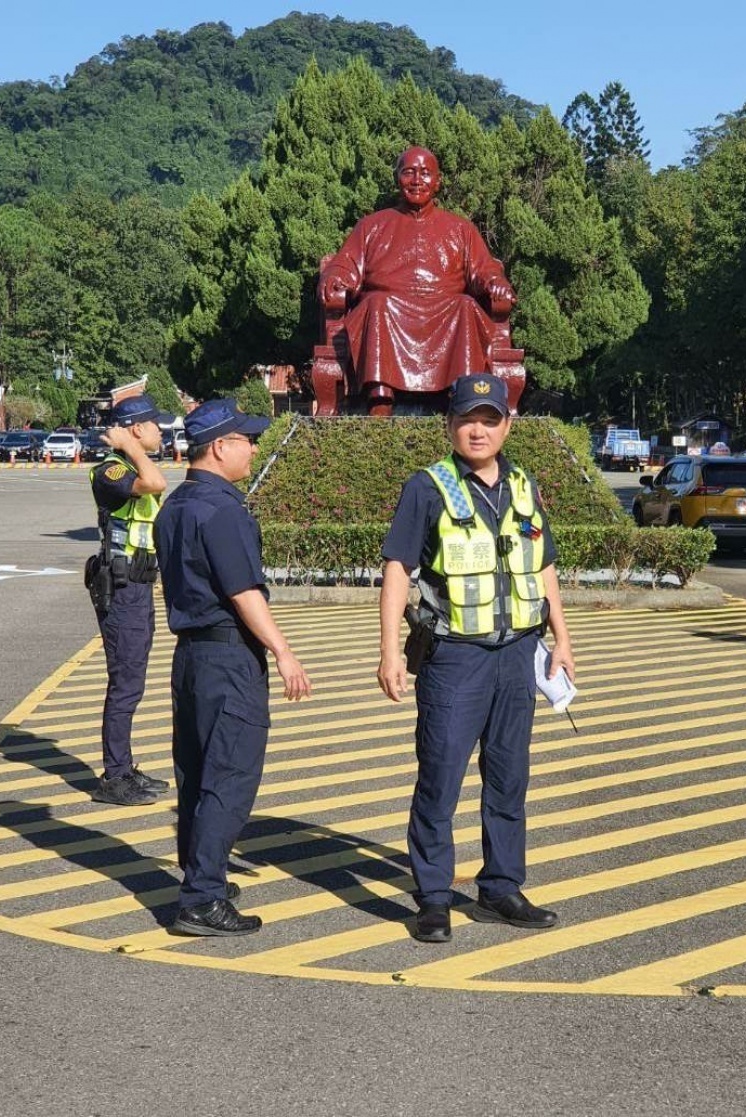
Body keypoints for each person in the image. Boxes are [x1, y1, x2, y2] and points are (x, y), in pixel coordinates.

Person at [377, 373, 574, 944]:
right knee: (439, 777)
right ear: (450, 425)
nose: (479, 430)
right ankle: (434, 897)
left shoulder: (523, 486)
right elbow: (396, 570)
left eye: (490, 419)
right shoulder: (428, 487)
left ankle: (501, 888)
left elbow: (543, 567)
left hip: (518, 655)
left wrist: (562, 639)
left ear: (508, 425)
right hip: (455, 658)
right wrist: (389, 648)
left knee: (509, 778)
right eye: (469, 419)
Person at [154, 399, 312, 936]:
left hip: (191, 656)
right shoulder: (223, 510)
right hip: (227, 656)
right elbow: (243, 591)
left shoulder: (176, 505)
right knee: (231, 775)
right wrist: (282, 651)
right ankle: (202, 898)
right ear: (220, 447)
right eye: (245, 440)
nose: (252, 448)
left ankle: (203, 873)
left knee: (196, 770)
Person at [318, 146, 516, 410]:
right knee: (378, 303)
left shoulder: (461, 228)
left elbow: (484, 269)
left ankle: (461, 399)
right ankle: (380, 399)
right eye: (408, 172)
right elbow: (345, 266)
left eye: (425, 173)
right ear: (397, 177)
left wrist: (496, 283)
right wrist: (335, 277)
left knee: (465, 306)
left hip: (445, 311)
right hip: (388, 310)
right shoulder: (371, 225)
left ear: (437, 181)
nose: (416, 180)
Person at [88, 394, 172, 807]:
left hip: (138, 588)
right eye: (155, 424)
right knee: (125, 685)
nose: (162, 431)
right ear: (137, 428)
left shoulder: (133, 462)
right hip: (121, 591)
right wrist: (129, 446)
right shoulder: (111, 470)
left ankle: (124, 767)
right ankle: (114, 777)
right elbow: (155, 484)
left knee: (132, 683)